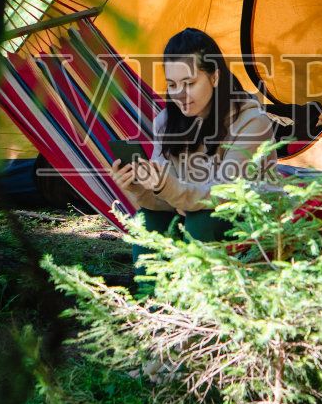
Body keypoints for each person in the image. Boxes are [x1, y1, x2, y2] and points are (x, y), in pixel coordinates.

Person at [111, 28, 277, 262]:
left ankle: (203, 294)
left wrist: (167, 186)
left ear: (214, 77)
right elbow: (168, 202)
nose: (179, 94)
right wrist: (141, 187)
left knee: (203, 220)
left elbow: (226, 196)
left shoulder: (252, 123)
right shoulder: (166, 123)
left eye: (189, 83)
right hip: (192, 215)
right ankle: (150, 297)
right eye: (172, 84)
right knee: (149, 220)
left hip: (249, 222)